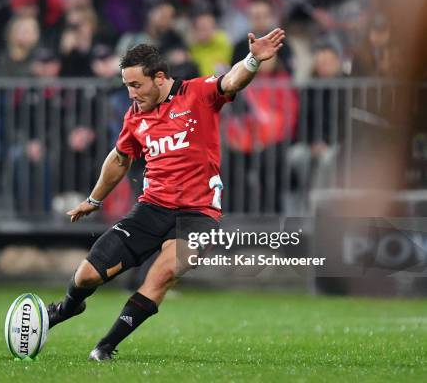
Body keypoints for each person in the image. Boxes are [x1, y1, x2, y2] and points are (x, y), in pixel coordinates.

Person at [45, 28, 286, 360]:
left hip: (198, 214)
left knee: (163, 272)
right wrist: (94, 200)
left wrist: (252, 60)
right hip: (152, 208)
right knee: (86, 275)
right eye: (127, 86)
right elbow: (119, 159)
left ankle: (105, 347)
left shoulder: (197, 93)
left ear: (159, 78)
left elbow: (231, 81)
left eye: (136, 85)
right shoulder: (136, 116)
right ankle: (68, 308)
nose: (131, 94)